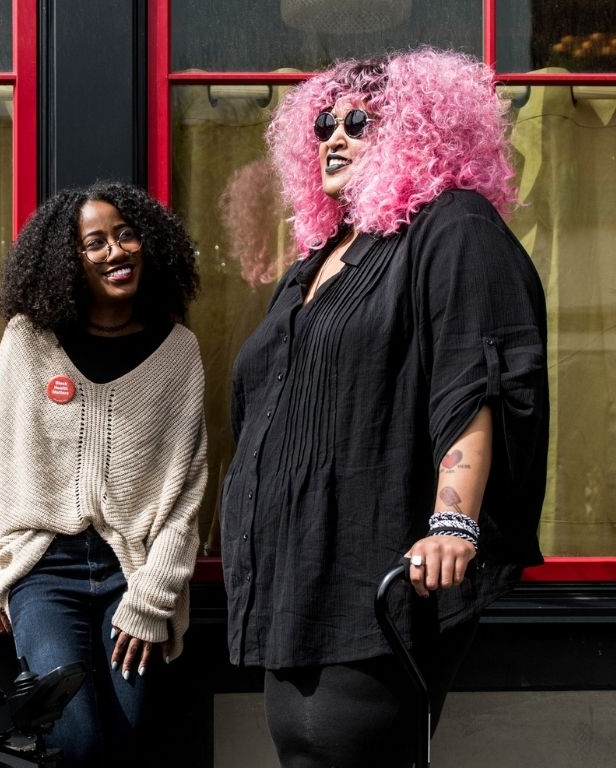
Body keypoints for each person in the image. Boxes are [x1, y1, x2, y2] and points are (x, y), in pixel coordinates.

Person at [221, 48, 549, 767]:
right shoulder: (321, 256)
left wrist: (453, 520)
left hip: (376, 559)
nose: (334, 136)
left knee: (351, 743)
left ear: (419, 129)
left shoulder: (451, 226)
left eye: (359, 122)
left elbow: (478, 373)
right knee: (303, 745)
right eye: (324, 124)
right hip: (293, 565)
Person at [0, 181, 208, 767]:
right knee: (76, 739)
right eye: (93, 242)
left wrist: (151, 600)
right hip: (42, 570)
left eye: (126, 235)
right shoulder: (28, 341)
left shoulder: (178, 352)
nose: (115, 252)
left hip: (134, 572)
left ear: (150, 245)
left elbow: (187, 493)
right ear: (66, 260)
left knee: (132, 734)